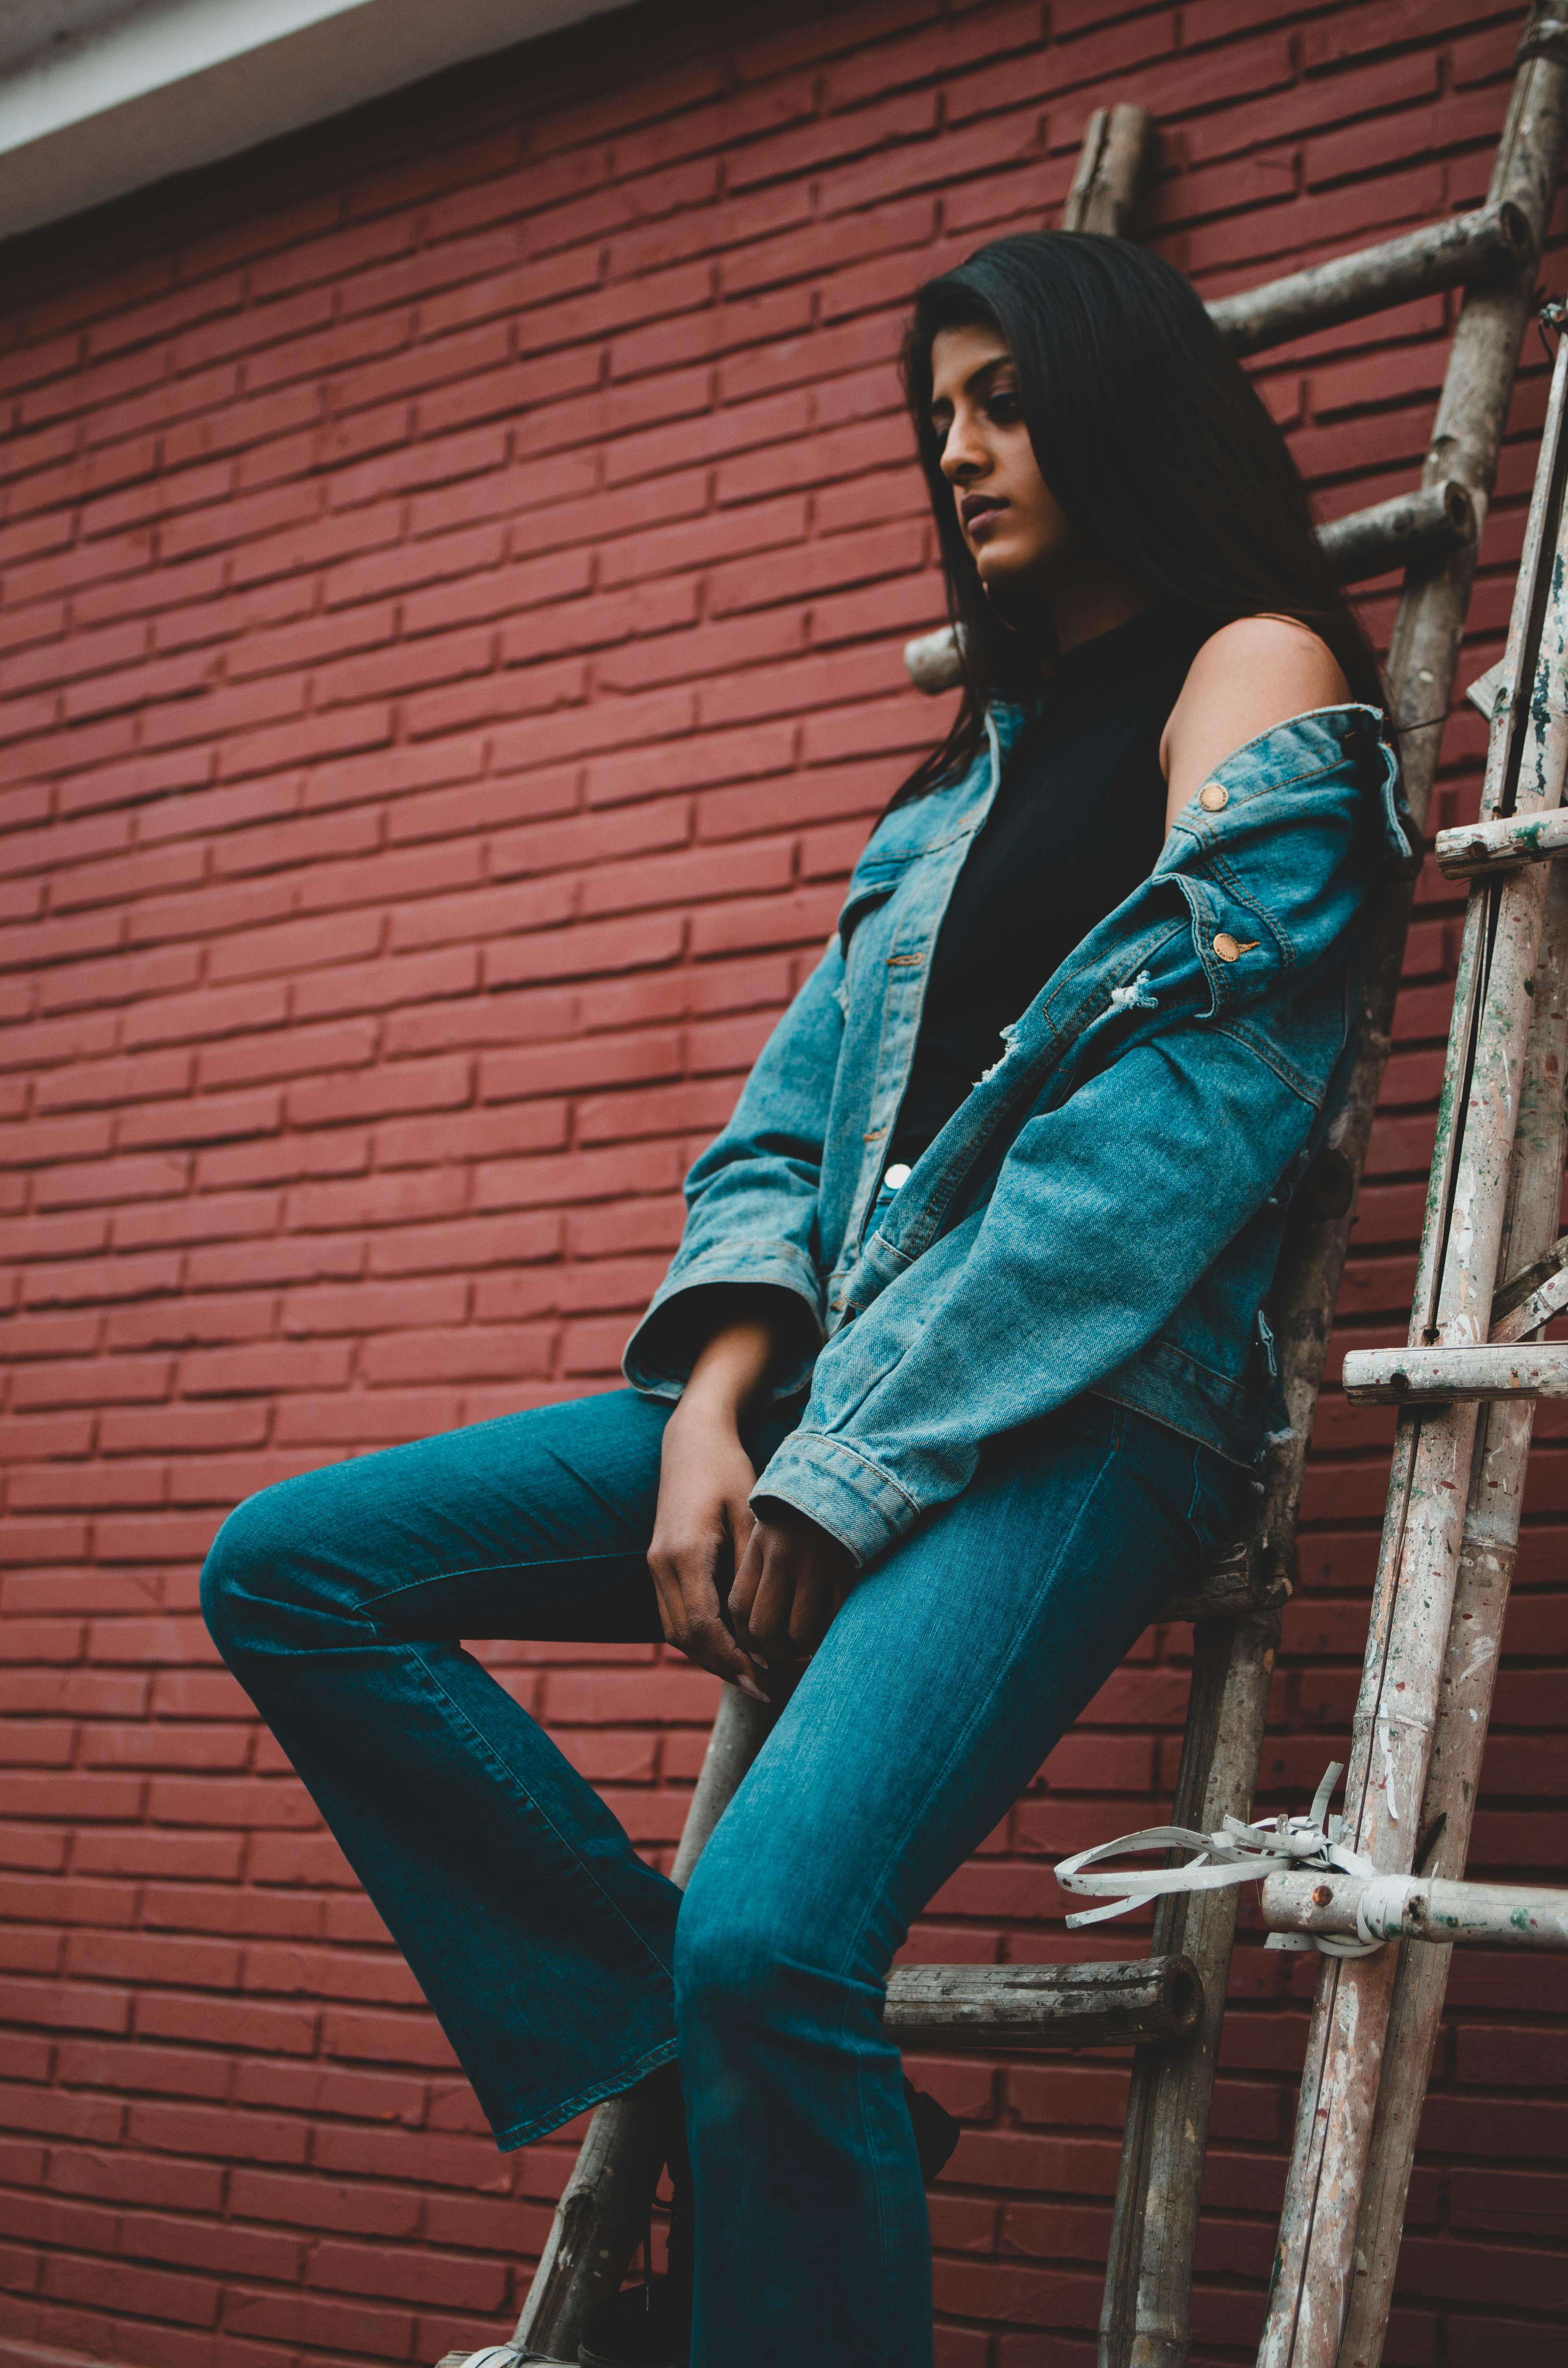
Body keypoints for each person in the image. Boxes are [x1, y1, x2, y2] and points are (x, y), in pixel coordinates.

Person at [200, 230, 1413, 2368]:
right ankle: (650, 2026)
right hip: (834, 1389)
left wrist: (838, 1470)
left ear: (1119, 398)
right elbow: (775, 1140)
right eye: (934, 413)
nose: (955, 447)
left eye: (1002, 397)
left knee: (773, 1939)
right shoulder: (948, 798)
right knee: (292, 1566)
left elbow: (1152, 1167)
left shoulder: (1257, 673)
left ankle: (715, 2021)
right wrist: (713, 1405)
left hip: (1088, 1420)